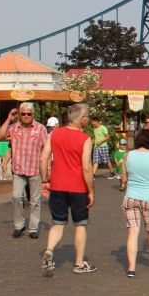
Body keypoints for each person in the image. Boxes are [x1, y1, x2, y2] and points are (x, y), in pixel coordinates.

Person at [39, 103, 96, 276]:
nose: (87, 120)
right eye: (86, 117)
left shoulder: (55, 134)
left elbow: (43, 159)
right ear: (81, 119)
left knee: (58, 223)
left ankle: (49, 250)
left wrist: (45, 180)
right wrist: (91, 190)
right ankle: (79, 263)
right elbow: (86, 167)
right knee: (80, 225)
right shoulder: (85, 139)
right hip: (77, 187)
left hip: (57, 185)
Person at [0, 102, 49, 239]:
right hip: (19, 169)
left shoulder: (40, 128)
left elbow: (47, 149)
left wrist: (47, 170)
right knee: (16, 197)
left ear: (33, 114)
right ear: (20, 114)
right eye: (23, 113)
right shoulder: (14, 128)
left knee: (35, 200)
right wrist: (9, 119)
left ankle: (33, 227)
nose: (26, 116)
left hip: (35, 169)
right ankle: (19, 225)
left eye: (29, 114)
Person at [120, 129, 149, 277]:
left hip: (131, 196)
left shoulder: (128, 155)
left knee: (133, 232)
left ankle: (131, 268)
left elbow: (124, 179)